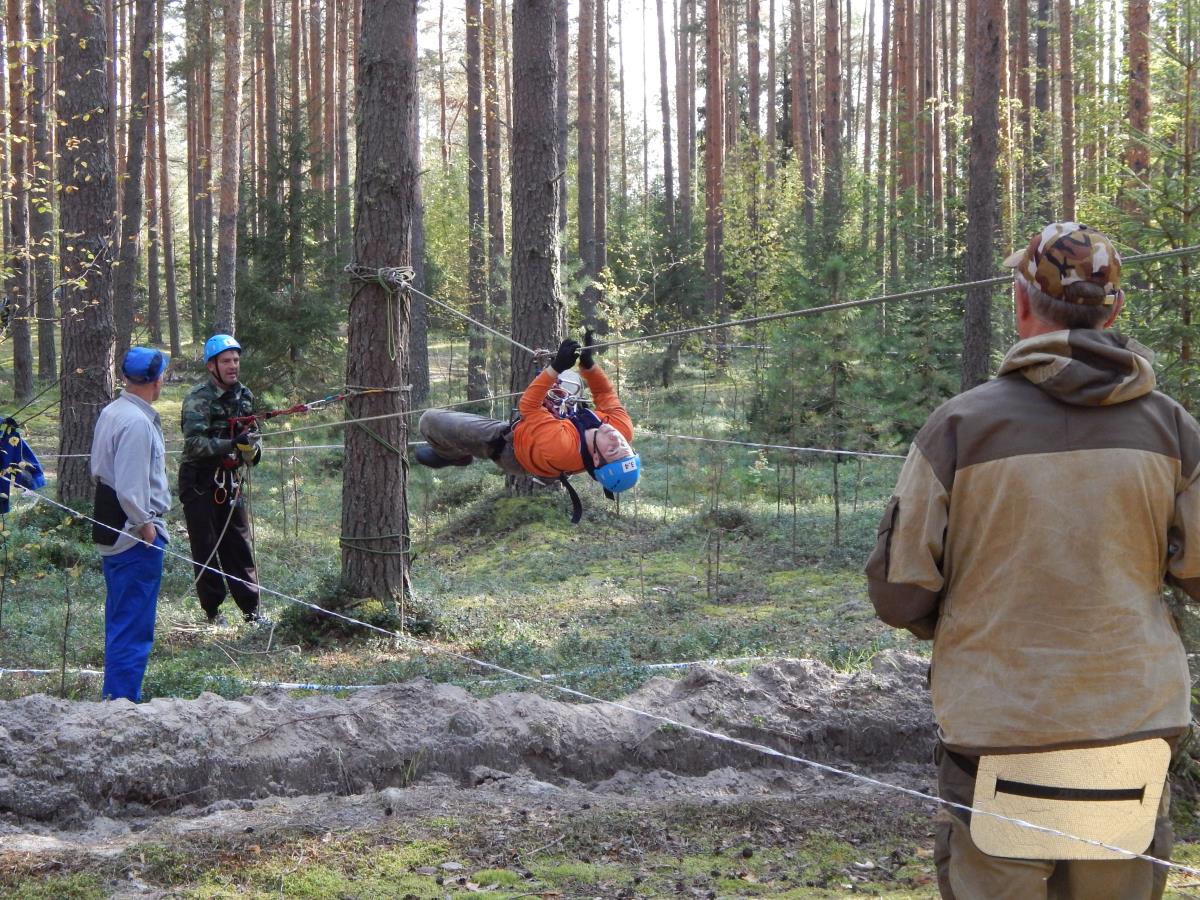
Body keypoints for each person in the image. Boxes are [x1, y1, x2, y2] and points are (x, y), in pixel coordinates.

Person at [867, 222, 1200, 900]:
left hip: (1001, 732)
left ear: (1022, 306)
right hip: (1130, 733)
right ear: (1113, 309)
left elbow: (899, 593)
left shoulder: (960, 426)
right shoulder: (1173, 430)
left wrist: (960, 617)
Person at [416, 333, 640, 520]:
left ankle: (454, 455)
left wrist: (555, 368)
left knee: (429, 420)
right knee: (568, 384)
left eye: (613, 450)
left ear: (597, 459)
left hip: (509, 449)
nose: (617, 440)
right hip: (551, 430)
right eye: (625, 447)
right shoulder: (622, 429)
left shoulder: (562, 447)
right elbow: (605, 394)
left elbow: (529, 406)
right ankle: (461, 451)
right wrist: (589, 367)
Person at [90, 346, 171, 702]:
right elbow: (130, 487)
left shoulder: (115, 410)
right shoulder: (136, 423)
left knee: (122, 619)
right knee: (132, 627)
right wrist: (147, 529)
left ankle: (117, 697)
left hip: (114, 529)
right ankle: (122, 704)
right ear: (156, 380)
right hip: (133, 535)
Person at [180, 334, 269, 626]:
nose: (233, 366)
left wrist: (251, 449)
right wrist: (231, 444)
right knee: (206, 547)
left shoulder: (244, 395)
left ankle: (251, 610)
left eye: (236, 360)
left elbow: (252, 435)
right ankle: (213, 611)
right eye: (226, 361)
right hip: (200, 481)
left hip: (230, 480)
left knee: (238, 544)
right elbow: (194, 444)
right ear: (211, 366)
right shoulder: (198, 398)